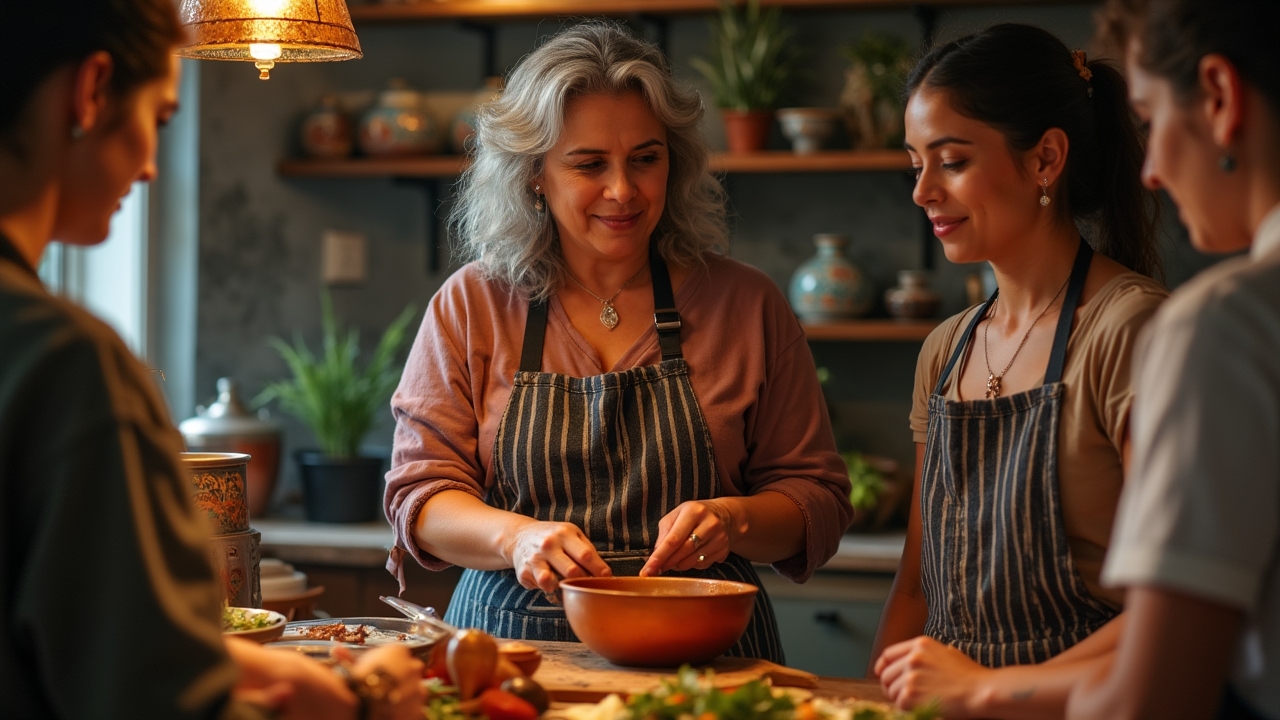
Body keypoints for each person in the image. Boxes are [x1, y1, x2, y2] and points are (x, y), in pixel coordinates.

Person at [0, 1, 424, 718]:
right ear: (92, 91)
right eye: (160, 120)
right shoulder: (66, 363)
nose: (150, 167)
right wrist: (357, 707)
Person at [384, 21, 852, 661]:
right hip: (509, 657)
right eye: (588, 164)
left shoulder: (746, 303)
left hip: (709, 662)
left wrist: (734, 520)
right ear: (533, 176)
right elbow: (420, 498)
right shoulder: (474, 304)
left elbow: (815, 499)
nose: (623, 190)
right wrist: (516, 539)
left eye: (645, 159)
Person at [868, 23, 1170, 717]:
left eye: (950, 161)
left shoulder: (1130, 329)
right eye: (915, 163)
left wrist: (983, 692)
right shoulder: (945, 351)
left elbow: (1174, 609)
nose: (922, 192)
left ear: (1045, 160)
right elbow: (915, 589)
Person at [1064, 1, 1280, 718]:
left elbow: (1155, 700)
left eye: (1152, 122)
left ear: (1218, 96)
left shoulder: (1228, 323)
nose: (1151, 172)